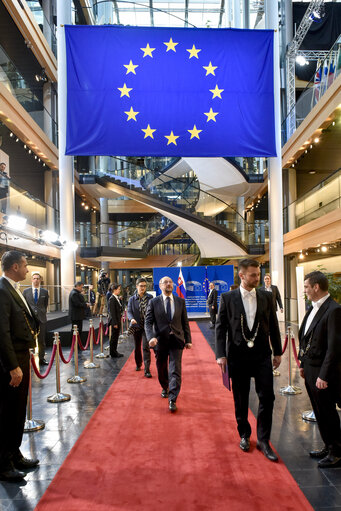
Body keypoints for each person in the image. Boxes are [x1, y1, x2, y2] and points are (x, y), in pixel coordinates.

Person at [215, 259, 282, 462]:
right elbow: (221, 328)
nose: (258, 278)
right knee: (241, 398)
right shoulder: (228, 298)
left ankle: (263, 440)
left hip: (262, 355)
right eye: (253, 275)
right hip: (238, 356)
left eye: (258, 274)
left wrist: (277, 352)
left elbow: (273, 325)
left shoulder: (267, 296)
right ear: (241, 276)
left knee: (267, 397)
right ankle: (244, 434)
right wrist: (221, 355)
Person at [0, 250, 40, 482]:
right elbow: (2, 331)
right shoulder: (3, 290)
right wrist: (12, 366)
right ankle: (3, 463)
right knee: (7, 412)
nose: (27, 269)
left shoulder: (13, 288)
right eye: (25, 266)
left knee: (18, 411)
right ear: (14, 267)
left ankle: (14, 454)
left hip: (22, 355)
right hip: (11, 360)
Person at [298, 271, 341, 468]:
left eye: (306, 286)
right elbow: (306, 337)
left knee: (327, 412)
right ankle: (328, 445)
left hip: (323, 374)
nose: (304, 290)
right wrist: (302, 363)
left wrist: (324, 375)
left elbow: (334, 347)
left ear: (316, 287)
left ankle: (336, 452)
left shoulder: (333, 310)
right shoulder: (314, 307)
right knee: (319, 410)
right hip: (310, 368)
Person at [145, 276, 192, 413]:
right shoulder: (153, 302)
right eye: (165, 282)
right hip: (160, 340)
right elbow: (148, 322)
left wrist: (188, 339)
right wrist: (151, 337)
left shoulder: (180, 301)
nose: (169, 284)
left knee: (175, 369)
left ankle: (173, 398)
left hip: (177, 340)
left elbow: (185, 322)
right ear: (160, 286)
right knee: (161, 367)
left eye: (170, 282)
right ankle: (165, 387)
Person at [127, 278, 153, 377]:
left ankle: (147, 369)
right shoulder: (132, 299)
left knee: (146, 347)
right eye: (141, 286)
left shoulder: (150, 297)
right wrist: (131, 319)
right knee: (137, 347)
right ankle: (138, 363)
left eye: (144, 286)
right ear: (137, 286)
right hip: (136, 326)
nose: (143, 288)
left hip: (147, 326)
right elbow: (129, 311)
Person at [23, 272, 49, 365]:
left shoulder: (45, 292)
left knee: (41, 340)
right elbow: (24, 305)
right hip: (30, 320)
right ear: (31, 280)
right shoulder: (26, 291)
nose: (36, 280)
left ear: (40, 280)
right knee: (30, 339)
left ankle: (41, 359)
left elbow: (45, 305)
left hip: (41, 319)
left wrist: (42, 312)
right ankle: (29, 359)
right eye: (34, 278)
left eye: (38, 278)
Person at [108, 283, 124, 358]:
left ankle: (114, 351)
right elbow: (112, 312)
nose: (119, 290)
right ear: (114, 290)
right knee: (114, 337)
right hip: (115, 321)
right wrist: (114, 323)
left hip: (117, 319)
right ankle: (113, 352)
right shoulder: (112, 299)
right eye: (118, 289)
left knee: (116, 336)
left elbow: (120, 308)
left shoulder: (116, 298)